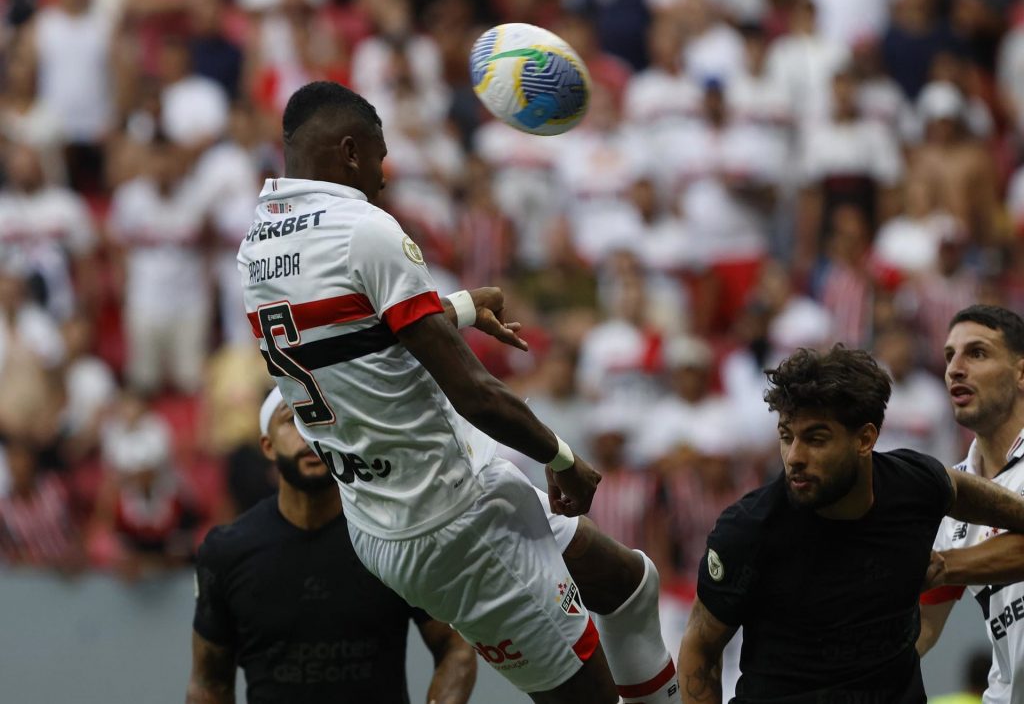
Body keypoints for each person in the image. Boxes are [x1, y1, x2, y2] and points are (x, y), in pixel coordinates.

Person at [237, 81, 679, 704]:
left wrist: (462, 308)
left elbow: (355, 337)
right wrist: (562, 459)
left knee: (631, 584)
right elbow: (475, 392)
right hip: (451, 521)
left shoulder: (258, 246)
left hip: (389, 510)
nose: (386, 177)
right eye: (382, 157)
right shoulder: (365, 228)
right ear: (350, 151)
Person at [675, 344, 1024, 703]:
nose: (794, 457)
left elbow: (959, 489)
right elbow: (699, 650)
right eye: (786, 436)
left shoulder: (916, 485)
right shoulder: (748, 531)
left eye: (815, 439)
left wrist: (953, 565)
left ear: (865, 439)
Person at [186, 387, 478, 704]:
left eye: (321, 420)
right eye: (292, 421)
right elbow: (209, 682)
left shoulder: (392, 535)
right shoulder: (226, 551)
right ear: (267, 447)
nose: (310, 436)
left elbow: (455, 646)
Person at [917, 305, 1024, 704]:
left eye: (976, 353)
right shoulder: (952, 494)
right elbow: (923, 629)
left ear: (1021, 373)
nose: (954, 369)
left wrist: (942, 567)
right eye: (949, 356)